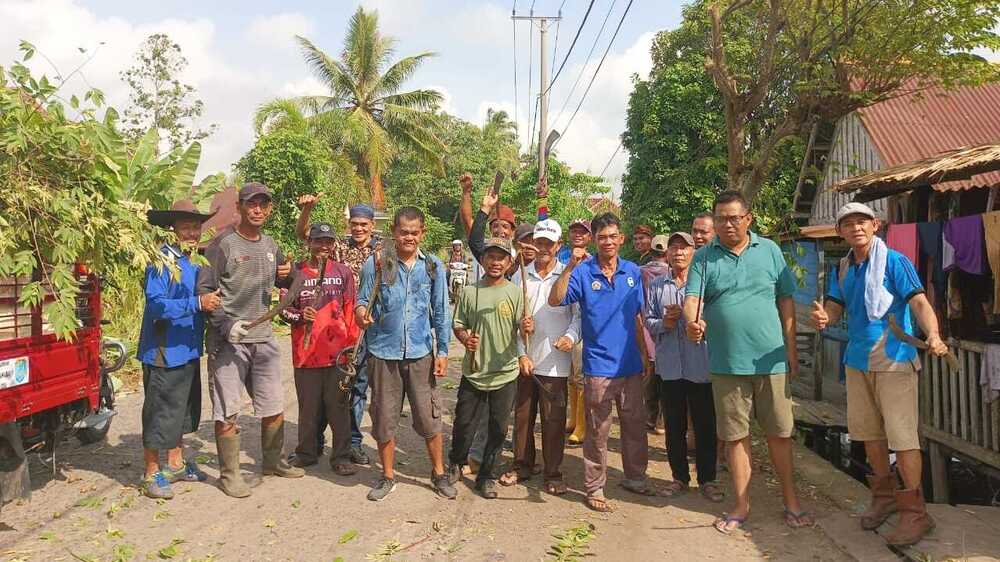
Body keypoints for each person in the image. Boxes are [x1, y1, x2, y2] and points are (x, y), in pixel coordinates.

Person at [811, 202, 947, 546]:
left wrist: (932, 333)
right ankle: (884, 499)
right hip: (857, 360)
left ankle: (916, 512)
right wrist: (825, 317)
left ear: (875, 225)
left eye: (862, 221)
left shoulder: (895, 261)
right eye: (848, 223)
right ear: (840, 231)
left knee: (903, 438)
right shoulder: (844, 266)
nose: (855, 228)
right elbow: (835, 304)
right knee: (870, 435)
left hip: (894, 358)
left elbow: (918, 301)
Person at [684, 190, 809, 534]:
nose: (728, 224)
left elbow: (785, 301)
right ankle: (741, 504)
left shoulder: (769, 251)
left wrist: (791, 350)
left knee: (779, 434)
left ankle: (791, 500)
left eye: (734, 218)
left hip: (772, 362)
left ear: (748, 219)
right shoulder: (704, 258)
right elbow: (692, 298)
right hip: (726, 363)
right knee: (736, 437)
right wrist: (691, 324)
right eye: (721, 218)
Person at [197, 183, 302, 498]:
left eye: (263, 205)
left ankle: (273, 461)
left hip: (263, 338)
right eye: (251, 204)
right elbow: (204, 291)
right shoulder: (222, 245)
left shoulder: (270, 245)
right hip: (228, 340)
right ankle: (229, 475)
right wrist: (225, 325)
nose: (257, 209)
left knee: (273, 405)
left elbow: (288, 277)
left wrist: (290, 271)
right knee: (228, 410)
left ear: (269, 209)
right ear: (240, 208)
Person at [549, 212, 653, 512]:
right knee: (597, 431)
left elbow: (637, 317)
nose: (607, 241)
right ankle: (595, 487)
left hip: (630, 365)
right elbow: (556, 300)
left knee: (634, 426)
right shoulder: (583, 272)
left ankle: (636, 477)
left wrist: (644, 354)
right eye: (602, 237)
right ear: (594, 240)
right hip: (598, 367)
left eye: (613, 236)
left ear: (621, 239)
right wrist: (569, 265)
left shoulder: (633, 272)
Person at [355, 207, 456, 501]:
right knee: (384, 419)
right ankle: (387, 477)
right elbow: (361, 301)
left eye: (414, 232)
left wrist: (444, 351)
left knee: (429, 418)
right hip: (383, 353)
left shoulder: (433, 267)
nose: (408, 237)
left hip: (420, 353)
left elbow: (440, 313)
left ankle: (438, 473)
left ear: (422, 233)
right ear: (394, 233)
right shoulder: (377, 264)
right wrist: (362, 314)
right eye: (403, 232)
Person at [138, 200, 219, 499]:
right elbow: (156, 305)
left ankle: (176, 464)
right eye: (186, 226)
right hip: (163, 350)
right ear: (172, 229)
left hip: (187, 349)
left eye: (196, 226)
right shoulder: (163, 260)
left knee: (182, 410)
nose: (192, 232)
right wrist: (197, 304)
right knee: (159, 411)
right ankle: (150, 472)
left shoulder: (194, 261)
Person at [297, 196, 383, 466]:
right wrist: (307, 210)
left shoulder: (382, 249)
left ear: (372, 225)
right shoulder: (338, 248)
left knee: (356, 386)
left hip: (372, 324)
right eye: (354, 224)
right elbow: (306, 236)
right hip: (340, 326)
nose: (359, 229)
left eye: (364, 224)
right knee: (333, 386)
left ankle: (352, 444)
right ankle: (316, 442)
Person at [447, 237, 532, 498]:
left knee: (498, 428)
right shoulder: (470, 291)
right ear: (482, 260)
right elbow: (458, 324)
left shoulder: (516, 292)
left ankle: (486, 475)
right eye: (491, 257)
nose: (495, 262)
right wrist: (465, 339)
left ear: (509, 262)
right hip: (474, 371)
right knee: (464, 424)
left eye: (501, 258)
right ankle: (455, 462)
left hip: (505, 372)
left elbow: (523, 330)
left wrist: (528, 327)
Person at [644, 232, 723, 503]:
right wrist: (665, 323)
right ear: (666, 254)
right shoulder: (656, 286)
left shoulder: (703, 285)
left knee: (704, 425)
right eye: (674, 248)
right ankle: (679, 477)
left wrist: (703, 325)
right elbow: (648, 323)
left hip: (701, 365)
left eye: (684, 248)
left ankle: (707, 479)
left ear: (694, 253)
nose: (678, 253)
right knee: (674, 425)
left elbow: (717, 319)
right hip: (670, 367)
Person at [504, 219, 580, 494]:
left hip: (556, 363)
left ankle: (553, 472)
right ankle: (522, 466)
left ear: (559, 245)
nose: (544, 248)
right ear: (533, 244)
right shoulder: (519, 276)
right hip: (527, 361)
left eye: (550, 243)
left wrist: (570, 338)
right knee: (523, 417)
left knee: (554, 421)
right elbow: (512, 322)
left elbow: (577, 318)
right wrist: (521, 352)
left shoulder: (569, 275)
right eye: (540, 242)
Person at [279, 222, 360, 475]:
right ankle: (307, 452)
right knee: (308, 408)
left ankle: (342, 456)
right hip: (305, 356)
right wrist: (302, 316)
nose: (323, 246)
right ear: (309, 243)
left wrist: (350, 350)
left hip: (338, 356)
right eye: (318, 241)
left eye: (328, 241)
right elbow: (283, 312)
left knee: (339, 408)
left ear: (333, 244)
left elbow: (351, 311)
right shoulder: (296, 273)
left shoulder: (344, 273)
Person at [558, 218, 593, 445]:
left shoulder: (593, 262)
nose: (578, 234)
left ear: (589, 237)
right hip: (562, 319)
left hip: (582, 321)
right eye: (574, 231)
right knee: (569, 374)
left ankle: (582, 424)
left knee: (580, 374)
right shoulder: (561, 257)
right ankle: (573, 418)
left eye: (583, 232)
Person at [640, 235, 672, 436]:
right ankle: (662, 419)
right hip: (669, 329)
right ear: (667, 254)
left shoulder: (640, 272)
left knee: (649, 373)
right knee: (666, 374)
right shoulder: (673, 272)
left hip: (645, 328)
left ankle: (650, 416)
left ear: (650, 251)